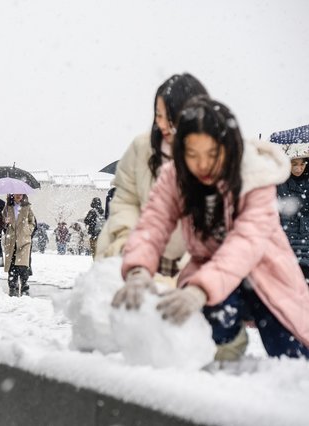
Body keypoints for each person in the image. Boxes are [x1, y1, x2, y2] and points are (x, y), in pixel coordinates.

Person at [114, 96, 309, 359]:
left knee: (291, 353)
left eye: (211, 154)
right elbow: (153, 224)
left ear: (228, 148)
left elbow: (245, 243)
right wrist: (137, 269)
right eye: (192, 155)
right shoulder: (176, 176)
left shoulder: (255, 175)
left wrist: (200, 289)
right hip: (213, 275)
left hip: (267, 272)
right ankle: (228, 344)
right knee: (212, 328)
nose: (202, 164)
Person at [97, 73, 209, 280]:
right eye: (159, 115)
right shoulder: (142, 148)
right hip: (139, 258)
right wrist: (126, 243)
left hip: (195, 269)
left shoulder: (214, 156)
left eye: (171, 116)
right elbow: (125, 201)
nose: (163, 124)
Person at [276, 152, 309, 281]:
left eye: (302, 164)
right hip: (287, 238)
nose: (298, 168)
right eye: (294, 164)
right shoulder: (278, 182)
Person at [3, 194, 36, 297]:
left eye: (20, 193)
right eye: (16, 193)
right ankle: (13, 287)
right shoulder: (8, 207)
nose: (18, 195)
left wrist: (28, 230)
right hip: (11, 240)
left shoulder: (27, 207)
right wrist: (5, 221)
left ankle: (24, 287)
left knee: (23, 266)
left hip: (24, 240)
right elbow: (2, 221)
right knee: (12, 265)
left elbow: (32, 222)